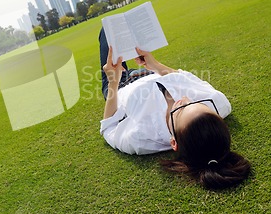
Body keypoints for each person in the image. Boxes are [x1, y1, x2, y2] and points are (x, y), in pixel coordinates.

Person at [99, 29, 251, 190]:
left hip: (122, 83)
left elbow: (108, 127)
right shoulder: (218, 103)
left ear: (173, 142)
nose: (184, 99)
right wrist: (154, 65)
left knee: (107, 30)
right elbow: (185, 78)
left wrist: (113, 82)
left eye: (180, 109)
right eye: (194, 102)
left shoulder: (141, 139)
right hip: (150, 71)